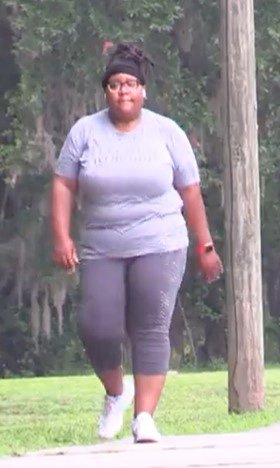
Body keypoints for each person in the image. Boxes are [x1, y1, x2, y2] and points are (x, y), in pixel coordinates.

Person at [50, 43, 223, 443]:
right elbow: (63, 184)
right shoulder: (85, 132)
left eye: (130, 83)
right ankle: (116, 393)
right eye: (115, 84)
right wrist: (61, 237)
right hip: (101, 247)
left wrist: (206, 246)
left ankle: (144, 417)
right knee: (97, 326)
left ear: (143, 89)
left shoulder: (166, 132)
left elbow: (190, 192)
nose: (123, 91)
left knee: (150, 325)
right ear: (106, 91)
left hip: (161, 242)